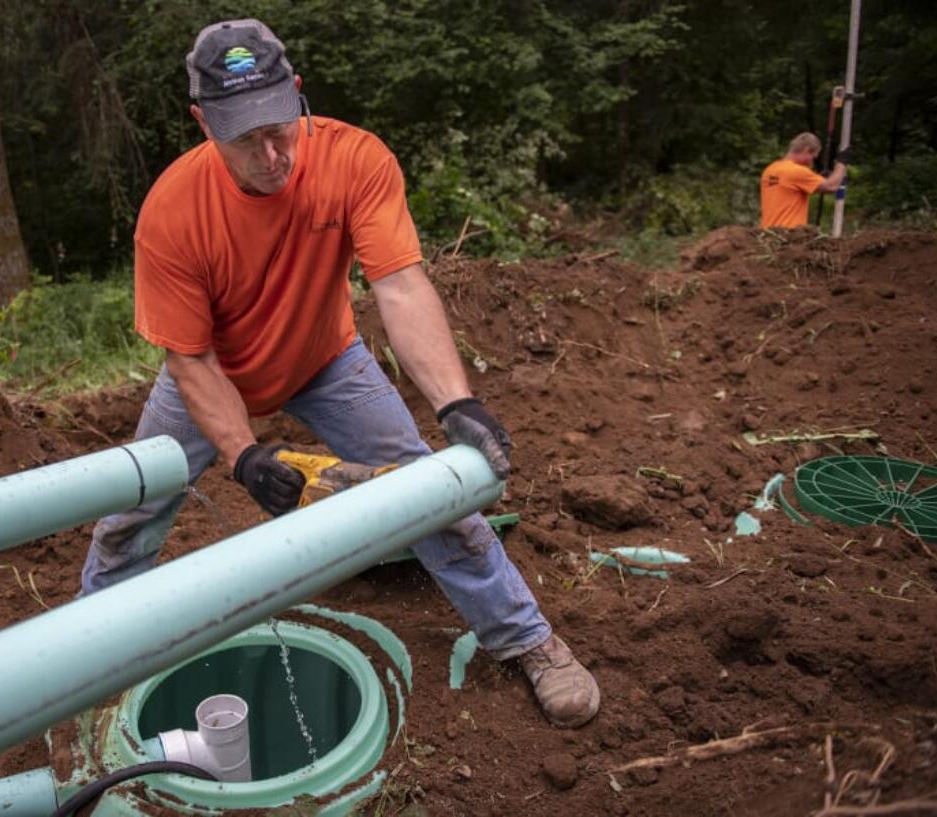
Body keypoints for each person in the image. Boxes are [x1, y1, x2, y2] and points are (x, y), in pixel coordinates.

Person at [79, 18, 600, 729]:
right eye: (244, 138)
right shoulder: (172, 213)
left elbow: (402, 287)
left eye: (280, 128)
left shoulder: (355, 160)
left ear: (296, 94)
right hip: (213, 374)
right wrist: (242, 453)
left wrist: (456, 404)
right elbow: (190, 358)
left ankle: (527, 639)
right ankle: (81, 664)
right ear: (203, 122)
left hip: (327, 360)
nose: (271, 154)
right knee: (131, 516)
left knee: (430, 491)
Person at [760, 132, 850, 228]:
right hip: (789, 235)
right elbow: (831, 186)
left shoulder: (770, 169)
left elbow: (790, 186)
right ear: (806, 150)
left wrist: (818, 178)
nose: (812, 162)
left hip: (768, 234)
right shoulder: (797, 171)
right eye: (813, 157)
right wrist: (841, 163)